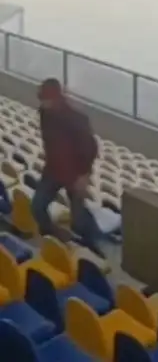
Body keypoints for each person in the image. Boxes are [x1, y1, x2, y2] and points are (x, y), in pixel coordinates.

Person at [34, 78, 103, 251]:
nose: (43, 103)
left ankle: (92, 247)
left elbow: (91, 148)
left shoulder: (76, 119)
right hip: (53, 170)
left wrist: (84, 175)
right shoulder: (44, 113)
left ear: (56, 98)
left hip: (74, 174)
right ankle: (53, 236)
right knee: (37, 206)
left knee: (79, 221)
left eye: (46, 99)